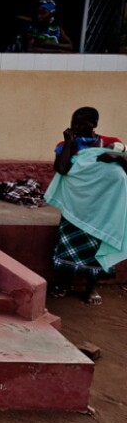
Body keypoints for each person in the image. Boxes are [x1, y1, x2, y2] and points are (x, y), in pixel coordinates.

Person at [44, 107, 127, 305]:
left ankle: (91, 288)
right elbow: (62, 169)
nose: (77, 127)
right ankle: (63, 284)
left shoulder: (110, 143)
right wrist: (68, 144)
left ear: (95, 124)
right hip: (76, 205)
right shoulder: (65, 145)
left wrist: (118, 158)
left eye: (83, 123)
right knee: (67, 244)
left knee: (96, 248)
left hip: (103, 208)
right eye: (75, 122)